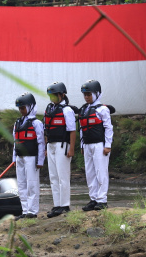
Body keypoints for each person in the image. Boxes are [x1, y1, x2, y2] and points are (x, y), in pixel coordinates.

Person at [44, 81, 77, 218]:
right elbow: (46, 130)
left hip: (63, 146)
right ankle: (57, 204)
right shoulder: (50, 109)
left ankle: (64, 205)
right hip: (51, 145)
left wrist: (72, 149)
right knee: (53, 176)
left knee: (63, 177)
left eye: (54, 95)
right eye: (50, 95)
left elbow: (72, 130)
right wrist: (46, 146)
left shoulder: (67, 110)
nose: (52, 98)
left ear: (62, 95)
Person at [79, 80, 113, 211]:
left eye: (89, 94)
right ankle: (93, 198)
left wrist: (108, 145)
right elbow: (81, 129)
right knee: (90, 173)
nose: (87, 97)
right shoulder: (83, 109)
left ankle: (102, 199)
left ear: (97, 94)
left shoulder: (103, 109)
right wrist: (82, 145)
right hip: (87, 145)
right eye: (85, 94)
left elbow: (108, 128)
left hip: (100, 145)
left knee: (101, 172)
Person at [13, 92, 45, 219]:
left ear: (31, 106)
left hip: (32, 157)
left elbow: (41, 142)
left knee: (32, 183)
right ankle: (25, 210)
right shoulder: (17, 123)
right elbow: (15, 141)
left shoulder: (36, 123)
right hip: (20, 157)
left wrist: (40, 160)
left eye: (23, 107)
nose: (21, 110)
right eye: (20, 108)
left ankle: (32, 211)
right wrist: (14, 157)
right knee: (21, 184)